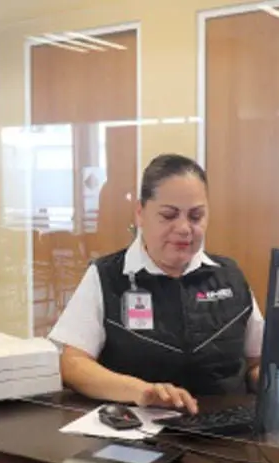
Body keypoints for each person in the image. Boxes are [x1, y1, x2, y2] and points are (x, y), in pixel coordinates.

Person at [49, 154, 265, 414]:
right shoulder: (107, 276)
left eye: (196, 216)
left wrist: (268, 381)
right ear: (141, 213)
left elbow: (257, 361)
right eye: (169, 215)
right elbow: (72, 365)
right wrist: (141, 392)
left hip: (227, 433)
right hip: (139, 434)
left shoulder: (229, 276)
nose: (184, 228)